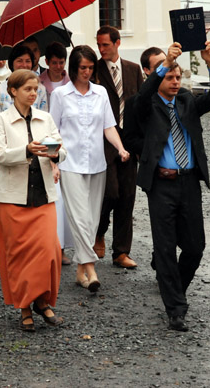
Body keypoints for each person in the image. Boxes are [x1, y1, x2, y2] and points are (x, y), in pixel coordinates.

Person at [133, 41, 210, 332]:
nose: (175, 82)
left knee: (195, 247)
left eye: (178, 77)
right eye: (169, 77)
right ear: (159, 78)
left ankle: (176, 291)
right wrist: (163, 65)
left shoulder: (186, 101)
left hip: (189, 181)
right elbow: (142, 96)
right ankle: (175, 309)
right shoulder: (147, 105)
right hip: (161, 184)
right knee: (164, 248)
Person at [0, 69, 67, 332]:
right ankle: (25, 307)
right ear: (13, 91)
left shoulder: (45, 118)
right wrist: (25, 150)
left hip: (43, 197)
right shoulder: (1, 120)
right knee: (19, 256)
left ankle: (42, 301)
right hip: (13, 199)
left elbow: (62, 150)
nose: (33, 93)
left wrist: (54, 154)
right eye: (28, 89)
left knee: (49, 252)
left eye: (36, 89)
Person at [49, 45, 130, 293]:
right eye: (83, 67)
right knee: (79, 217)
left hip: (97, 163)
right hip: (70, 163)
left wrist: (120, 148)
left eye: (90, 67)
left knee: (93, 220)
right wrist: (53, 162)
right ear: (74, 68)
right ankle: (91, 269)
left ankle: (79, 271)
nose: (87, 72)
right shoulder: (60, 95)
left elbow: (108, 126)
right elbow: (53, 130)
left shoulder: (101, 93)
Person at [94, 25, 143, 269]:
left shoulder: (133, 70)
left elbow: (142, 104)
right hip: (104, 140)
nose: (101, 49)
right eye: (99, 45)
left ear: (117, 43)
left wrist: (141, 142)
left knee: (127, 196)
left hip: (130, 141)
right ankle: (99, 231)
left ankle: (121, 252)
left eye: (105, 45)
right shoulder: (94, 70)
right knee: (110, 192)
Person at [39, 41, 73, 265]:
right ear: (46, 62)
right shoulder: (39, 83)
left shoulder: (72, 82)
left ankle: (63, 246)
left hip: (67, 143)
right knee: (52, 199)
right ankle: (49, 246)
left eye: (62, 62)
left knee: (66, 200)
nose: (58, 67)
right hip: (47, 140)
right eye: (54, 63)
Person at [0, 44, 48, 119]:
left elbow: (44, 119)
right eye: (19, 61)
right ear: (12, 63)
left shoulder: (40, 89)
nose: (24, 65)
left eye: (28, 61)